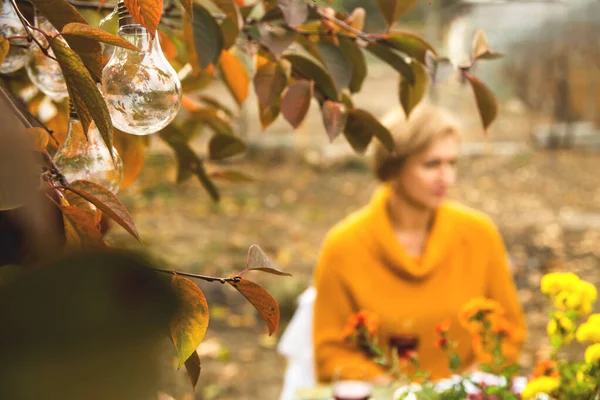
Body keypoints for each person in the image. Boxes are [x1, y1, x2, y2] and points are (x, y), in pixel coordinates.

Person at [312, 102, 527, 384]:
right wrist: (393, 389)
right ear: (394, 167)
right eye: (432, 164)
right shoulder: (344, 246)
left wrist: (468, 383)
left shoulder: (479, 235)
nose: (447, 178)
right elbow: (330, 355)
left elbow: (509, 333)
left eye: (452, 163)